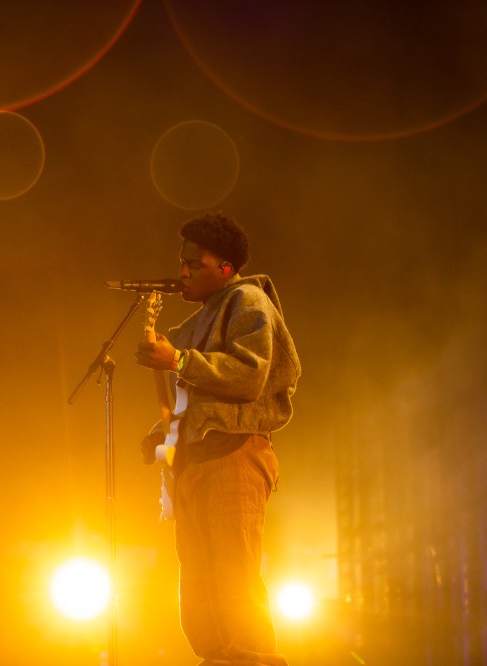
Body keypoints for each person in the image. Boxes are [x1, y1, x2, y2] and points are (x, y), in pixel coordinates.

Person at [135, 211, 301, 666]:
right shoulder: (197, 322)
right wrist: (160, 435)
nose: (183, 271)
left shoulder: (247, 302)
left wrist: (179, 362)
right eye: (182, 261)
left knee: (233, 576)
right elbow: (194, 402)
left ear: (225, 267)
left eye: (195, 263)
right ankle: (216, 658)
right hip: (197, 461)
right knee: (200, 582)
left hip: (233, 455)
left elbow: (250, 375)